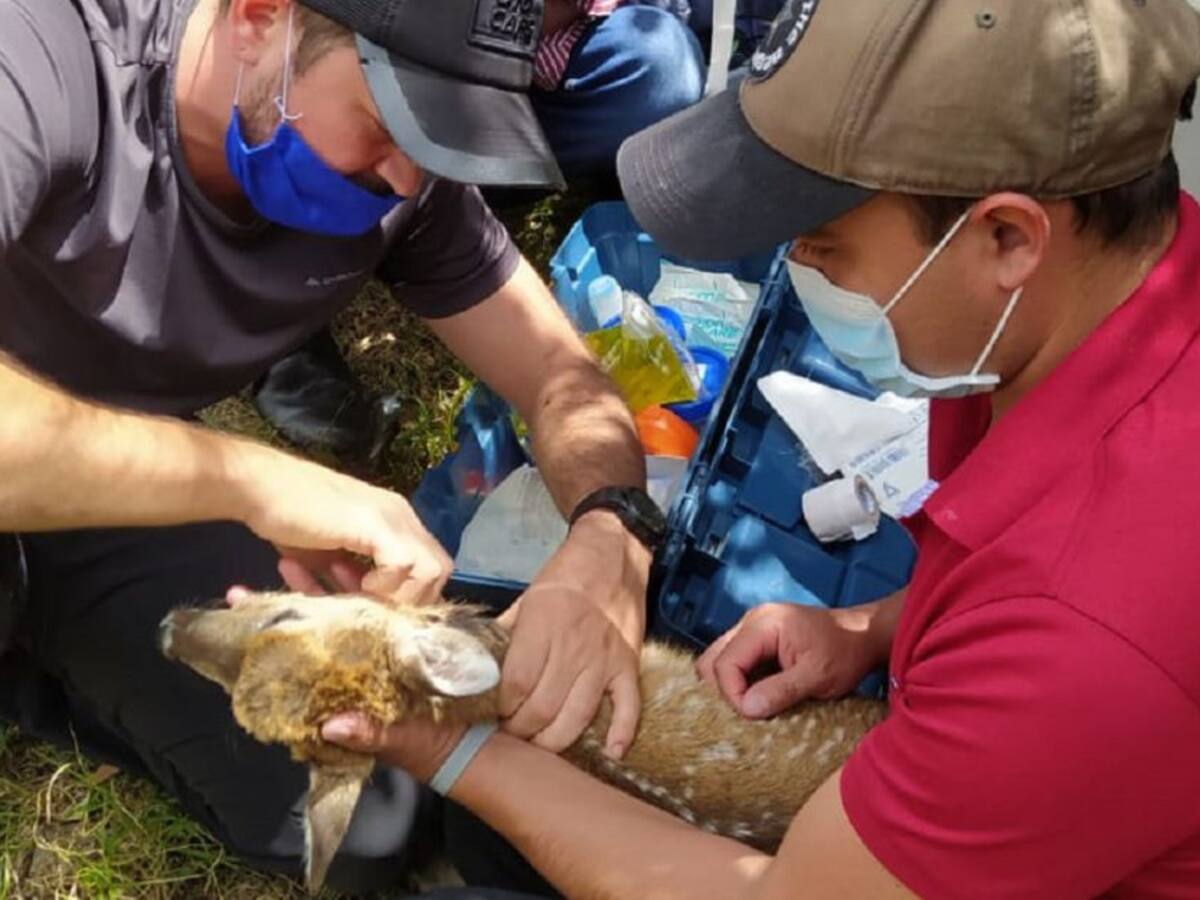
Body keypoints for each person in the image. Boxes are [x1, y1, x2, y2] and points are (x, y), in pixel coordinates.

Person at [322, 1, 1200, 897]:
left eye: (823, 246)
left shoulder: (1082, 646)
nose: (795, 270)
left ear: (1008, 237)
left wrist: (446, 746)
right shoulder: (1110, 307)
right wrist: (875, 626)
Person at [0, 0, 666, 891]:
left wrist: (610, 531)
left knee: (376, 814)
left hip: (100, 487)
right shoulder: (44, 59)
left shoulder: (401, 189)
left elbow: (561, 378)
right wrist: (248, 480)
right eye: (390, 125)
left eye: (439, 142)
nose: (400, 182)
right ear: (258, 18)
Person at [251, 0, 707, 469]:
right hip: (368, 57)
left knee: (660, 68)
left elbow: (544, 365)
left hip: (505, 71)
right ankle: (282, 324)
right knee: (310, 129)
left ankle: (447, 186)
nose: (408, 180)